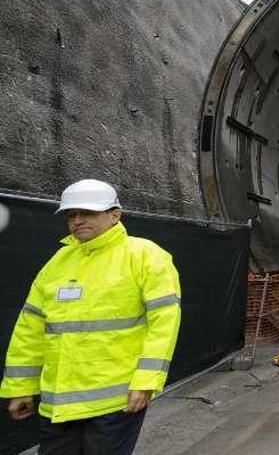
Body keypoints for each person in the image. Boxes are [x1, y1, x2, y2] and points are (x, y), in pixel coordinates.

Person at [0, 179, 181, 454]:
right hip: (57, 405)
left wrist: (146, 382)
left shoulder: (145, 256)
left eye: (87, 213)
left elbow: (164, 324)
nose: (77, 220)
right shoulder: (57, 263)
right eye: (71, 215)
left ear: (114, 214)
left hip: (114, 403)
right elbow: (30, 329)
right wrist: (20, 387)